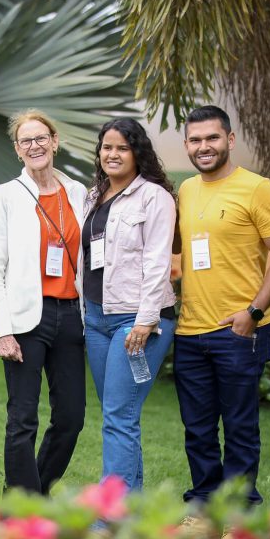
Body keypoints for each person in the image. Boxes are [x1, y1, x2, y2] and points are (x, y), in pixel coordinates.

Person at [174, 105, 270, 506]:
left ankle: (240, 513)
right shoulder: (186, 190)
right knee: (198, 430)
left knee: (240, 428)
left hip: (239, 330)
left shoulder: (257, 188)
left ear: (229, 139)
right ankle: (203, 507)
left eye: (212, 137)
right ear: (186, 145)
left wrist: (253, 313)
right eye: (195, 140)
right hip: (190, 331)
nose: (204, 146)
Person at [0, 109, 87, 496]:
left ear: (55, 141)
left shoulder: (77, 192)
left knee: (71, 418)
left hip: (71, 316)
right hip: (26, 319)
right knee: (22, 418)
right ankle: (19, 507)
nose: (35, 146)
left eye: (41, 138)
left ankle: (34, 494)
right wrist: (3, 332)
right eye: (26, 141)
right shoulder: (7, 195)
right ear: (17, 149)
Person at [81, 118, 176, 492]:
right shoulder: (94, 195)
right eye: (107, 147)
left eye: (123, 147)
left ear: (138, 153)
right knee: (119, 414)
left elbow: (157, 261)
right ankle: (130, 507)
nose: (113, 154)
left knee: (119, 415)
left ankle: (112, 512)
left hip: (136, 321)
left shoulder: (155, 197)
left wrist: (145, 320)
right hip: (97, 318)